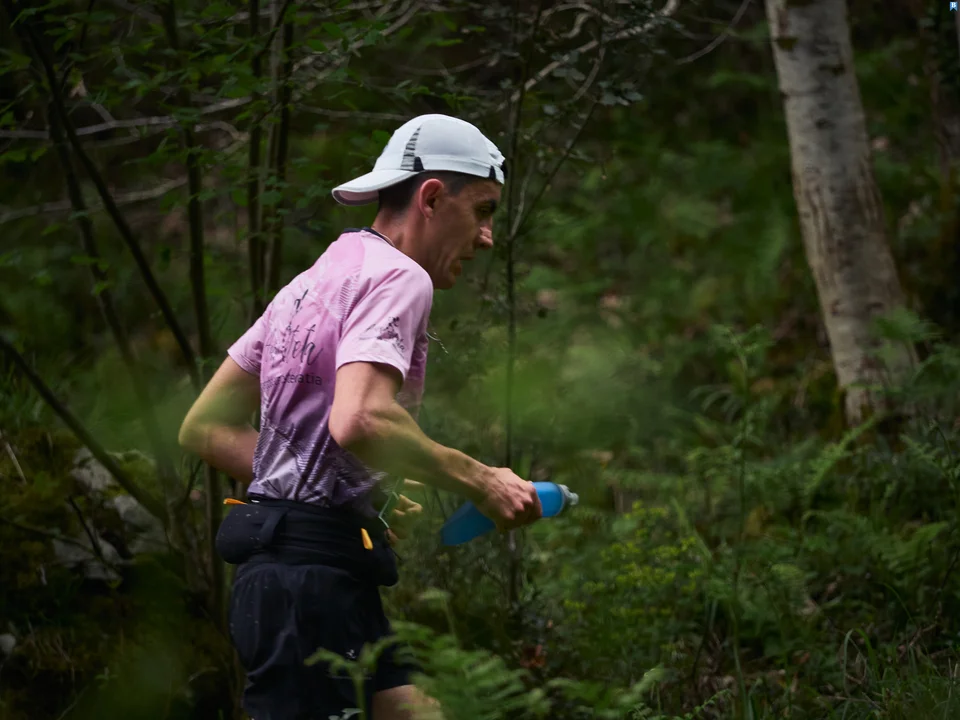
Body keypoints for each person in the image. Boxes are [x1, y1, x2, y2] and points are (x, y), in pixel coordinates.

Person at [178, 114, 543, 720]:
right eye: (483, 210)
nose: (486, 238)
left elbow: (205, 427)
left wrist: (345, 492)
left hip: (295, 572)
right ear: (432, 197)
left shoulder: (313, 282)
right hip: (309, 584)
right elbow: (362, 419)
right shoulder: (401, 277)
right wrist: (483, 480)